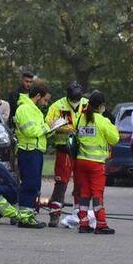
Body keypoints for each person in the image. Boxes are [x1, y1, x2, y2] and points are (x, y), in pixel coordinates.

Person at [73, 91, 119, 234]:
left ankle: (83, 222)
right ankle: (101, 224)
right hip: (96, 163)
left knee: (84, 193)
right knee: (97, 194)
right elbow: (115, 139)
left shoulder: (81, 118)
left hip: (81, 161)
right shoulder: (103, 120)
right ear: (100, 106)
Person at [44, 81, 88, 227]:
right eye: (73, 99)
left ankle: (80, 214)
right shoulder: (57, 106)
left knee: (81, 182)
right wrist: (63, 129)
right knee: (61, 182)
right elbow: (48, 124)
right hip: (64, 148)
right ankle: (54, 214)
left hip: (82, 148)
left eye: (77, 99)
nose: (75, 102)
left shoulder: (87, 104)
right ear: (68, 96)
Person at [13, 85, 52, 229]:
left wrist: (51, 129)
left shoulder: (34, 110)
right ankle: (25, 218)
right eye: (45, 100)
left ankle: (27, 216)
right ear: (38, 96)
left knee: (34, 185)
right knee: (30, 184)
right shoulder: (24, 109)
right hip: (28, 151)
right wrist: (48, 127)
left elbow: (38, 131)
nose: (45, 103)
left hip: (35, 150)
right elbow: (30, 131)